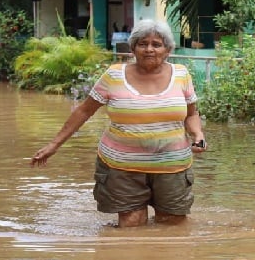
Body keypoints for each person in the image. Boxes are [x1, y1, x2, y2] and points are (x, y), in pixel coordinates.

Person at [30, 19, 207, 227]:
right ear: (133, 48)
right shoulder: (114, 75)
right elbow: (84, 111)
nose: (149, 49)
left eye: (156, 44)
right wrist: (54, 145)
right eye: (142, 44)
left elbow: (191, 114)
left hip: (172, 165)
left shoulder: (181, 75)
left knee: (173, 224)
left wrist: (199, 136)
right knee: (131, 224)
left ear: (167, 49)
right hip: (121, 166)